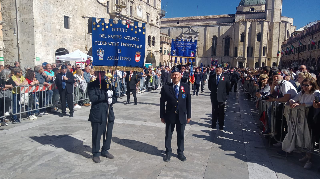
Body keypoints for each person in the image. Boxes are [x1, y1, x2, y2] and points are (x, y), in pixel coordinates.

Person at [160, 66, 191, 162]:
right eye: (173, 75)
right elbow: (162, 103)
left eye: (177, 75)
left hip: (181, 115)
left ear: (180, 76)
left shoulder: (185, 86)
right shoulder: (166, 87)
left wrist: (189, 115)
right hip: (170, 115)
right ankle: (168, 152)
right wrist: (162, 116)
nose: (175, 76)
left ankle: (180, 152)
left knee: (181, 135)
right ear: (171, 76)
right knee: (168, 135)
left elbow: (188, 102)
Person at [88, 70, 117, 163]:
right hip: (97, 113)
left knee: (108, 133)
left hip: (108, 112)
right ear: (96, 74)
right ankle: (96, 153)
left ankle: (105, 150)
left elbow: (115, 97)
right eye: (100, 73)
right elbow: (93, 98)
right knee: (97, 134)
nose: (102, 74)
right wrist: (105, 96)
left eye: (103, 73)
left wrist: (111, 99)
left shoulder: (109, 84)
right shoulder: (92, 84)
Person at [208, 64, 230, 130]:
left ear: (222, 69)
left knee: (221, 112)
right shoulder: (212, 76)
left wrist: (224, 95)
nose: (218, 70)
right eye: (217, 68)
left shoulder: (225, 77)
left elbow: (228, 87)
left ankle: (221, 125)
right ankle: (213, 124)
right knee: (214, 110)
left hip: (222, 97)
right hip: (214, 97)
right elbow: (209, 86)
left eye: (219, 68)